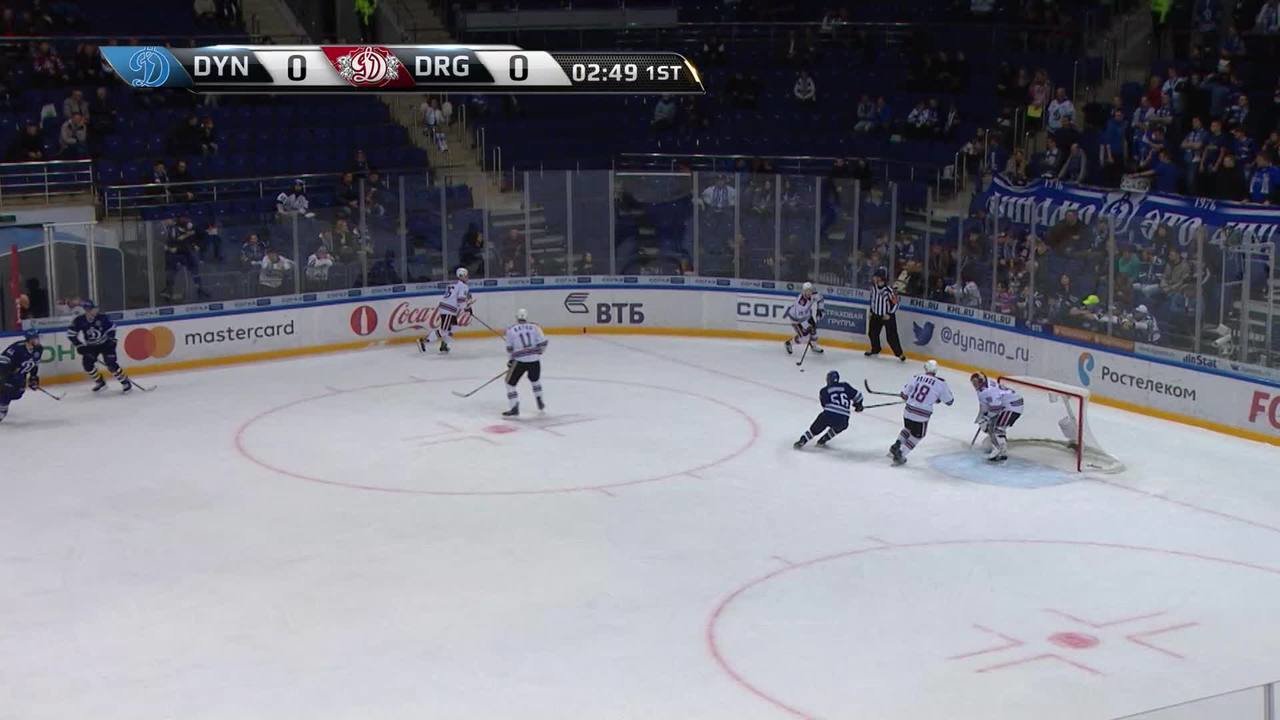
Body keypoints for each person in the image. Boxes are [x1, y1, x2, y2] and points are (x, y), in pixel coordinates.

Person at [890, 359, 954, 465]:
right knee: (918, 435)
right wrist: (936, 398)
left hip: (908, 410)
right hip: (921, 414)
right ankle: (901, 453)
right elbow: (949, 401)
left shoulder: (916, 377)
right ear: (936, 370)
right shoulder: (941, 383)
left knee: (908, 428)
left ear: (925, 368)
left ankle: (897, 444)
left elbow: (904, 395)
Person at [66, 300, 133, 392]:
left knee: (111, 363)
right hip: (91, 346)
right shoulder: (79, 320)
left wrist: (111, 339)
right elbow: (71, 334)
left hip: (106, 344)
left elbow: (112, 328)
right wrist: (79, 345)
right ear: (87, 310)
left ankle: (125, 381)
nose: (97, 310)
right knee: (87, 365)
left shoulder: (102, 318)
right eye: (94, 308)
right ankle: (100, 382)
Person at [794, 370, 865, 449]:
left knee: (815, 429)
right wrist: (859, 405)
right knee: (839, 427)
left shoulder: (824, 391)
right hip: (844, 418)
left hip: (828, 414)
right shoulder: (845, 386)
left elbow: (824, 405)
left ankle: (803, 440)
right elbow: (858, 396)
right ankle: (824, 439)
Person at [501, 308, 548, 417]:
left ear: (516, 317)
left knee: (509, 383)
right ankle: (539, 398)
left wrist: (511, 360)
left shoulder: (511, 329)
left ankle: (514, 406)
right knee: (535, 380)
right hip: (535, 360)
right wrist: (539, 352)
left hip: (520, 361)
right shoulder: (535, 327)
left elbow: (509, 348)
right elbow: (543, 343)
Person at [418, 267, 473, 353]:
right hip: (449, 309)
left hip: (447, 308)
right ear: (461, 276)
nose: (467, 277)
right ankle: (423, 341)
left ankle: (444, 345)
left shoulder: (453, 284)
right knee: (444, 331)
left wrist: (466, 307)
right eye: (466, 275)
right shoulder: (463, 286)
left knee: (454, 327)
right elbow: (460, 300)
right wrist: (467, 308)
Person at [971, 372, 1022, 462]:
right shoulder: (983, 388)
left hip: (1012, 406)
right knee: (995, 427)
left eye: (976, 382)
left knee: (997, 429)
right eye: (973, 382)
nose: (975, 385)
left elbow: (996, 408)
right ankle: (1001, 450)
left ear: (982, 381)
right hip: (1008, 405)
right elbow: (984, 406)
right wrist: (981, 418)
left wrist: (986, 418)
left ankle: (999, 451)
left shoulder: (989, 391)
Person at [0, 329, 42, 423]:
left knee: (17, 394)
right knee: (7, 391)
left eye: (37, 338)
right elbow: (3, 360)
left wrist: (33, 377)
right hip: (8, 375)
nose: (37, 340)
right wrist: (6, 373)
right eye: (35, 338)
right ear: (29, 340)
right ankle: (2, 410)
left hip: (20, 377)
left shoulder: (39, 349)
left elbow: (34, 365)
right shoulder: (17, 347)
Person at [866, 268, 906, 361]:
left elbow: (896, 303)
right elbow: (872, 300)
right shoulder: (873, 288)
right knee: (872, 333)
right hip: (876, 314)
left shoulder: (889, 290)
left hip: (887, 316)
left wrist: (889, 314)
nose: (874, 278)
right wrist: (871, 311)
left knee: (891, 337)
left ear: (881, 278)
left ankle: (899, 354)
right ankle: (875, 349)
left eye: (876, 276)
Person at [783, 282, 825, 355]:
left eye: (810, 290)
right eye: (806, 291)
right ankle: (789, 343)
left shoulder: (814, 294)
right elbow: (800, 319)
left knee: (814, 332)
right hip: (796, 319)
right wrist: (808, 327)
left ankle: (814, 346)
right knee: (804, 338)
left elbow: (820, 299)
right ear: (803, 291)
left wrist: (820, 310)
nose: (808, 293)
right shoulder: (800, 303)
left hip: (807, 315)